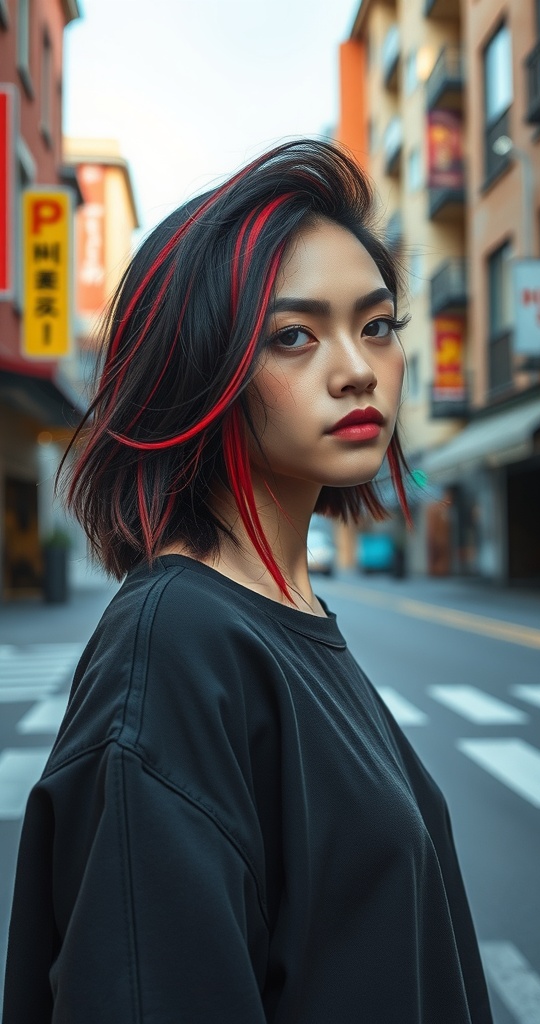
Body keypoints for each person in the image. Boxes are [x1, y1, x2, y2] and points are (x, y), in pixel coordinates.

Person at [3, 140, 494, 1023]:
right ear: (198, 368)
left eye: (376, 325)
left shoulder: (284, 616)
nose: (357, 368)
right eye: (294, 336)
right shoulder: (176, 648)